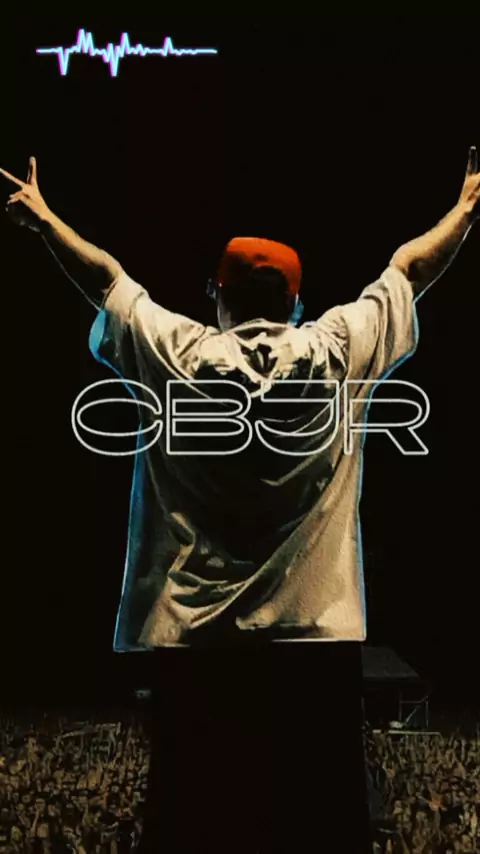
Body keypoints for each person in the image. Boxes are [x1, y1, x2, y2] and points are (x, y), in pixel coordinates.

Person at [3, 148, 479, 853]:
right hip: (313, 649)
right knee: (315, 831)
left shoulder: (177, 351)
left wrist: (44, 220)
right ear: (296, 300)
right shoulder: (336, 349)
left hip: (198, 649)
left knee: (197, 828)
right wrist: (466, 210)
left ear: (216, 294)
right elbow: (410, 268)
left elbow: (105, 279)